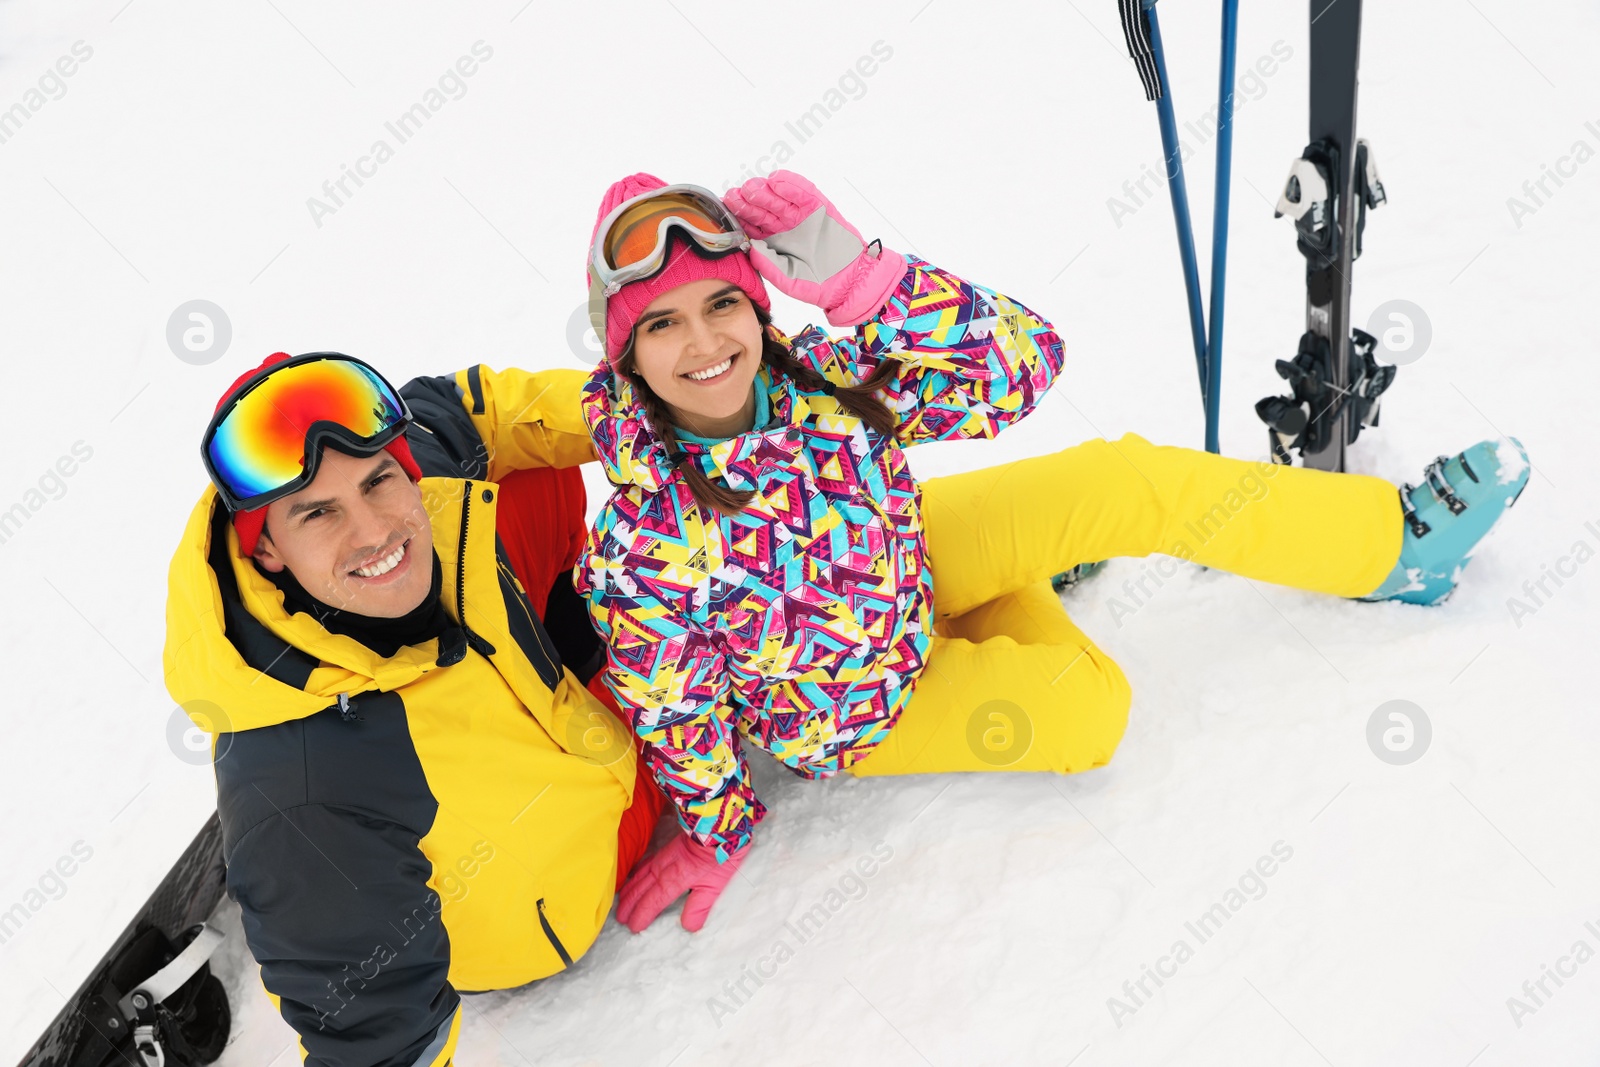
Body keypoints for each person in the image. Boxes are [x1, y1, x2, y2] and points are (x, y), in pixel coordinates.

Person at [571, 171, 1530, 935]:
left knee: (1126, 479)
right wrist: (714, 832)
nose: (703, 341)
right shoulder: (643, 542)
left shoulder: (822, 381)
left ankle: (1388, 547)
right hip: (864, 707)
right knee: (1090, 709)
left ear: (756, 304)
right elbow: (678, 703)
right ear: (628, 353)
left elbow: (1027, 364)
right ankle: (1019, 587)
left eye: (719, 306)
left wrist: (861, 279)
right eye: (662, 323)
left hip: (910, 556)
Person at [163, 352, 665, 1066]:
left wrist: (679, 413)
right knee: (739, 644)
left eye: (378, 481)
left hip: (536, 723)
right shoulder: (299, 792)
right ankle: (651, 664)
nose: (372, 532)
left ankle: (582, 651)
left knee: (523, 468)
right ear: (267, 548)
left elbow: (477, 406)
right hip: (569, 878)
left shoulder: (415, 482)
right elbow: (378, 1046)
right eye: (319, 513)